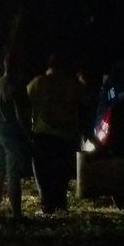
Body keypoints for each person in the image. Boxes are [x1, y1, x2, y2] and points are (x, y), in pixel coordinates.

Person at [26, 55, 87, 213]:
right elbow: (85, 97)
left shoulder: (39, 82)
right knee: (61, 174)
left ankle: (47, 205)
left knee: (44, 173)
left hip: (43, 134)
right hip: (66, 136)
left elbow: (24, 100)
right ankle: (60, 204)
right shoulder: (71, 84)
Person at [0, 54, 32, 222]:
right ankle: (16, 214)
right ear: (17, 67)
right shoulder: (16, 86)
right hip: (10, 131)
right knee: (13, 174)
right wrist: (28, 133)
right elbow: (21, 114)